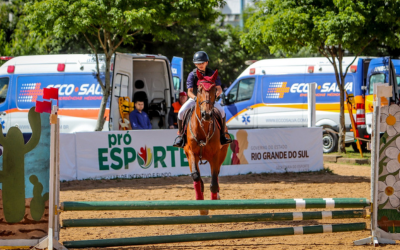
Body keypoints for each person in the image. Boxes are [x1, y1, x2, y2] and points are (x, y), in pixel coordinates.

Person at [173, 51, 232, 148]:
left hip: (209, 100)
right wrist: (196, 98)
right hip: (195, 99)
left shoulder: (212, 73)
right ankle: (181, 136)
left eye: (202, 63)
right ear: (195, 64)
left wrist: (214, 97)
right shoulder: (192, 75)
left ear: (207, 62)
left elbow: (219, 88)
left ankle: (222, 136)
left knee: (222, 111)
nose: (200, 65)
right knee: (181, 112)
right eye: (198, 63)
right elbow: (189, 92)